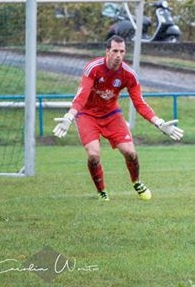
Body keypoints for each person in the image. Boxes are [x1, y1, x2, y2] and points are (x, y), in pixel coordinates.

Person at [52, 35, 184, 201]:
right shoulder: (93, 68)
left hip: (111, 115)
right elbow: (82, 95)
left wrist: (159, 123)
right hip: (87, 115)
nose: (118, 55)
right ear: (107, 51)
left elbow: (140, 103)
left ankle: (136, 181)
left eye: (122, 51)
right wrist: (70, 116)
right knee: (94, 155)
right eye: (115, 51)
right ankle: (102, 192)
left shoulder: (129, 74)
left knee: (130, 152)